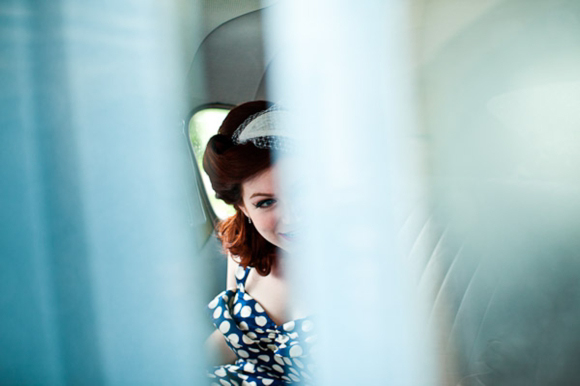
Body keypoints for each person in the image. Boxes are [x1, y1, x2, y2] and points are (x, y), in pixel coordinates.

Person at [202, 101, 315, 385]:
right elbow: (232, 340)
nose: (292, 217)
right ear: (242, 207)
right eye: (266, 202)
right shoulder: (241, 253)